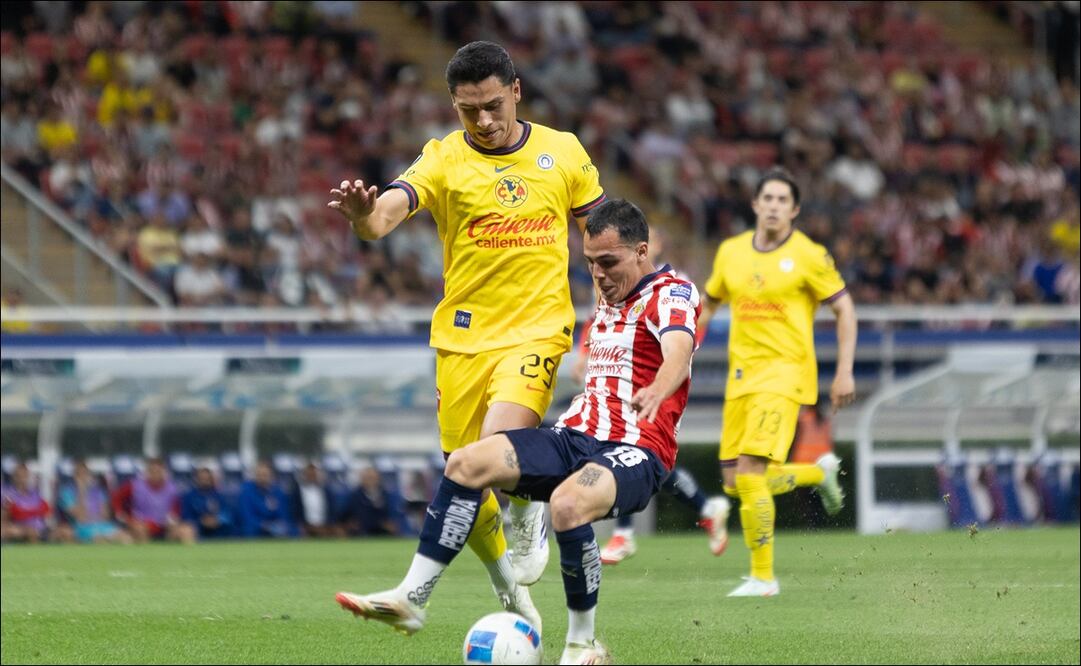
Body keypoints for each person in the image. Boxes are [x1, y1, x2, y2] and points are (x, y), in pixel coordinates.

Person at [335, 199, 698, 664]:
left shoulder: (672, 292)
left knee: (568, 504)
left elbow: (678, 352)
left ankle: (582, 644)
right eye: (590, 264)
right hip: (576, 437)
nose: (599, 276)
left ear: (642, 251)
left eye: (609, 263)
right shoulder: (604, 296)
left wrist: (657, 389)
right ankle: (411, 599)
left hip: (637, 448)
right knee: (466, 462)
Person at [328, 41, 606, 619]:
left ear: (516, 91)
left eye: (492, 105)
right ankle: (508, 587)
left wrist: (612, 304)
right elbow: (383, 217)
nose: (482, 121)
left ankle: (518, 514)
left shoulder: (564, 152)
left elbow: (599, 236)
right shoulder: (443, 158)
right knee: (465, 474)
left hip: (537, 330)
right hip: (462, 337)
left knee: (492, 452)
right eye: (468, 110)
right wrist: (361, 218)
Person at [696, 168, 858, 597]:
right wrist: (684, 346)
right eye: (767, 197)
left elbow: (845, 310)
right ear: (755, 204)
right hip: (740, 377)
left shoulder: (809, 255)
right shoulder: (730, 252)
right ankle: (816, 474)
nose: (773, 206)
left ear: (795, 210)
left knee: (750, 473)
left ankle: (763, 578)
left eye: (783, 200)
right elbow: (708, 303)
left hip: (785, 375)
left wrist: (844, 371)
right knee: (734, 481)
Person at [569, 226, 725, 565]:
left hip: (660, 374)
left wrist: (681, 353)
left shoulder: (675, 284)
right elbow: (596, 319)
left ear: (650, 247)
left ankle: (626, 533)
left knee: (632, 449)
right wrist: (585, 354)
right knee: (636, 456)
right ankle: (704, 507)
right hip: (622, 375)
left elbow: (690, 326)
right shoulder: (614, 281)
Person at [112, 458, 196, 544]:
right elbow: (117, 498)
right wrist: (122, 515)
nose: (155, 474)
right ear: (147, 472)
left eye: (158, 471)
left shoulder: (173, 488)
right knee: (139, 530)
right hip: (142, 524)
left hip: (165, 525)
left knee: (187, 531)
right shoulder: (135, 486)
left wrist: (173, 518)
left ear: (164, 472)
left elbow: (177, 507)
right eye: (152, 471)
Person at [59, 460, 131, 544]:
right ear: (75, 476)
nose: (83, 477)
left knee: (126, 538)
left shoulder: (98, 491)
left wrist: (96, 519)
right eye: (79, 474)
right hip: (81, 527)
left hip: (101, 525)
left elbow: (105, 515)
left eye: (85, 474)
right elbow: (79, 517)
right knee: (99, 540)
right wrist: (81, 490)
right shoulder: (66, 492)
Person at [1, 463, 68, 543]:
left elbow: (47, 512)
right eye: (19, 476)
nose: (22, 479)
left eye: (25, 476)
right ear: (14, 477)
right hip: (20, 528)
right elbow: (5, 516)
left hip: (40, 528)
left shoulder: (35, 494)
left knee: (66, 531)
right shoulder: (8, 494)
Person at [238, 460, 298, 538]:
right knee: (249, 529)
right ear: (255, 476)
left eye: (265, 475)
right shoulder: (246, 493)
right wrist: (264, 525)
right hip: (257, 527)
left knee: (292, 529)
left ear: (271, 476)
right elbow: (247, 517)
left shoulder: (278, 492)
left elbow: (284, 514)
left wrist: (278, 524)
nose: (262, 478)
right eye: (259, 475)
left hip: (275, 527)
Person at [180, 466, 235, 539]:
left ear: (211, 479)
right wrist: (201, 521)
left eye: (207, 478)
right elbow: (186, 517)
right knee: (186, 529)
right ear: (196, 479)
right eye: (201, 478)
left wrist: (217, 520)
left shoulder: (219, 496)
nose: (204, 480)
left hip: (218, 533)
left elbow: (227, 515)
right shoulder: (189, 497)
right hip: (198, 533)